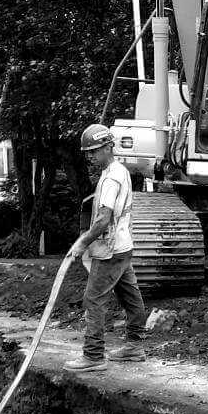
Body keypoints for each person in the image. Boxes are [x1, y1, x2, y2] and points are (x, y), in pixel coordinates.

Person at [66, 124, 147, 372]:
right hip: (123, 246)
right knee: (131, 296)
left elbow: (103, 219)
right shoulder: (116, 170)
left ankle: (93, 356)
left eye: (95, 151)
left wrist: (82, 242)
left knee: (93, 300)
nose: (90, 156)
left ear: (109, 147)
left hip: (110, 249)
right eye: (88, 152)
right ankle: (134, 346)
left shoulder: (112, 177)